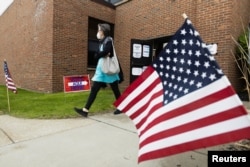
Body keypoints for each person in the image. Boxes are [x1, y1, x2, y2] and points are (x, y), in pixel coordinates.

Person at [74, 23, 122, 117]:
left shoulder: (108, 40)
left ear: (103, 31)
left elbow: (106, 51)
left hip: (106, 69)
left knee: (114, 89)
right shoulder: (102, 41)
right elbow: (102, 52)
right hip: (102, 69)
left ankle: (86, 110)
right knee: (97, 89)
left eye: (99, 30)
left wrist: (98, 54)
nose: (98, 32)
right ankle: (85, 110)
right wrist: (99, 53)